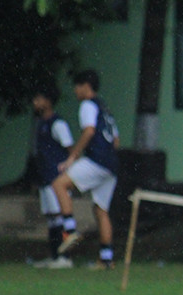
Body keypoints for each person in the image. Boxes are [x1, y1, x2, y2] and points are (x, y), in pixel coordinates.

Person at [52, 69, 120, 270]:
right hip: (112, 164)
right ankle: (106, 259)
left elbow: (89, 131)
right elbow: (116, 141)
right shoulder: (105, 108)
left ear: (85, 86)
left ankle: (70, 231)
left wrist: (73, 157)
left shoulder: (87, 105)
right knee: (101, 210)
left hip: (97, 160)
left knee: (59, 184)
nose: (75, 91)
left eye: (76, 86)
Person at [30, 84, 75, 269]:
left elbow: (71, 149)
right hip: (46, 177)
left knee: (60, 216)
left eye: (38, 99)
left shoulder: (58, 124)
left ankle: (65, 257)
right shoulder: (42, 123)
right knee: (51, 217)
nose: (35, 103)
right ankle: (55, 255)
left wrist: (67, 170)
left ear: (48, 102)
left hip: (57, 178)